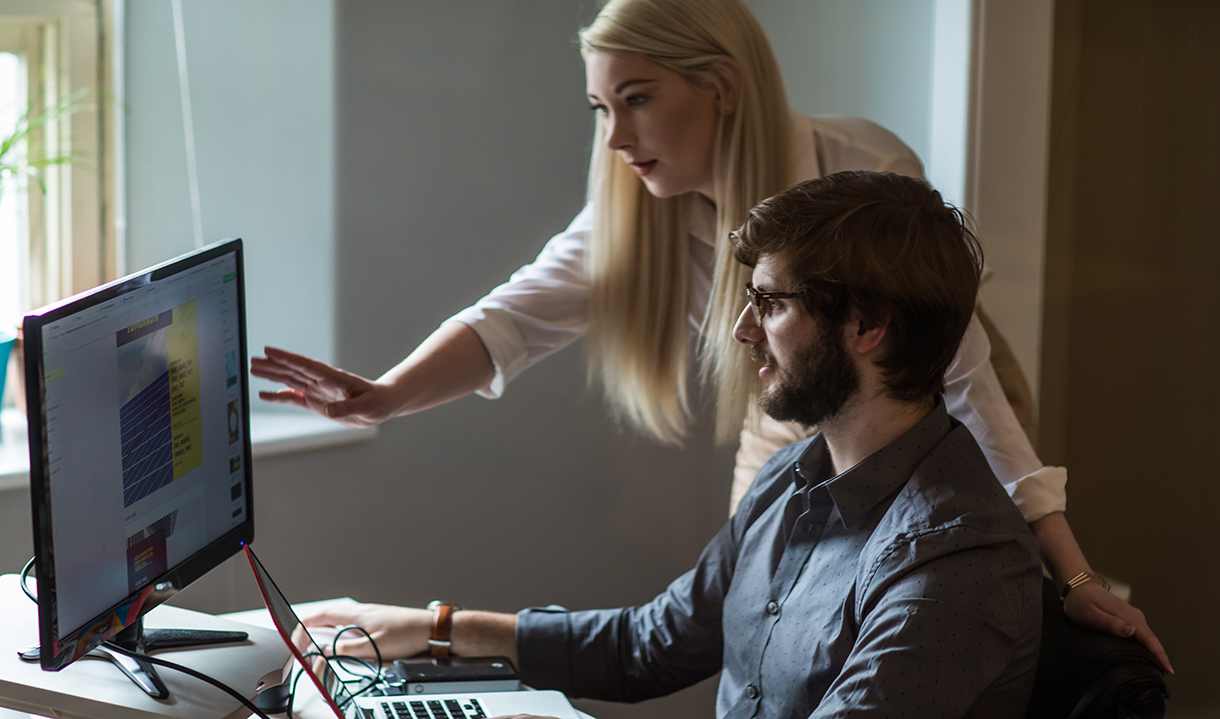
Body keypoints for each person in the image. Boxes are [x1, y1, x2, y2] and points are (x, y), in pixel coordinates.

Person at [249, 0, 1168, 669]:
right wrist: (382, 400)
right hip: (792, 409)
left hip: (900, 395)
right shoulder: (637, 218)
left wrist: (1073, 570)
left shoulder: (863, 177)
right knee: (758, 633)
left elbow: (972, 394)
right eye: (601, 109)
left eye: (635, 100)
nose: (614, 138)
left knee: (918, 612)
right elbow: (512, 317)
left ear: (720, 86)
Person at [303, 172, 1045, 718]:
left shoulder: (954, 561)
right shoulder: (794, 477)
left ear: (867, 326)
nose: (741, 329)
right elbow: (650, 644)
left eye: (773, 304)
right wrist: (439, 630)